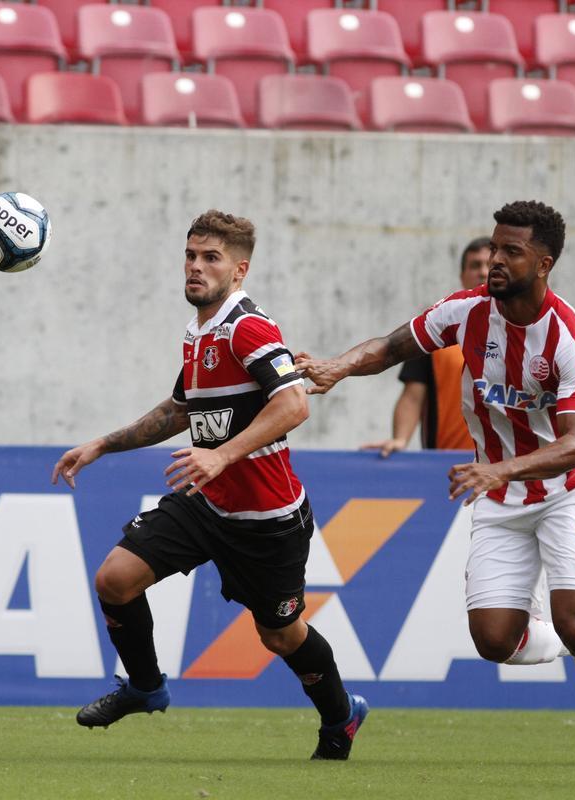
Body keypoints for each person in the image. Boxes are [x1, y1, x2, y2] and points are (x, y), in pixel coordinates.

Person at [295, 201, 575, 768]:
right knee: (492, 641)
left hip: (564, 492)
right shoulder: (465, 312)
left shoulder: (565, 337)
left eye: (511, 251)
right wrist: (338, 365)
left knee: (574, 620)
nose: (494, 261)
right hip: (501, 497)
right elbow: (391, 348)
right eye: (493, 247)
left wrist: (499, 468)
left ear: (545, 262)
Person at [51, 210, 368, 761]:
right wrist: (102, 444)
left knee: (280, 636)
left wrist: (221, 455)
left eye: (211, 258)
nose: (196, 267)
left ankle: (341, 717)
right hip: (208, 504)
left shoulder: (248, 326)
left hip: (267, 519)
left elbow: (293, 403)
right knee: (115, 580)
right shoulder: (198, 332)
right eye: (191, 256)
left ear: (239, 269)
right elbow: (178, 411)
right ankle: (147, 687)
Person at [362, 237, 490, 457]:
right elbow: (413, 395)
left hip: (509, 465)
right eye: (475, 265)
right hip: (449, 465)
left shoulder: (526, 331)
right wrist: (400, 439)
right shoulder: (438, 329)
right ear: (462, 276)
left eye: (491, 265)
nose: (483, 272)